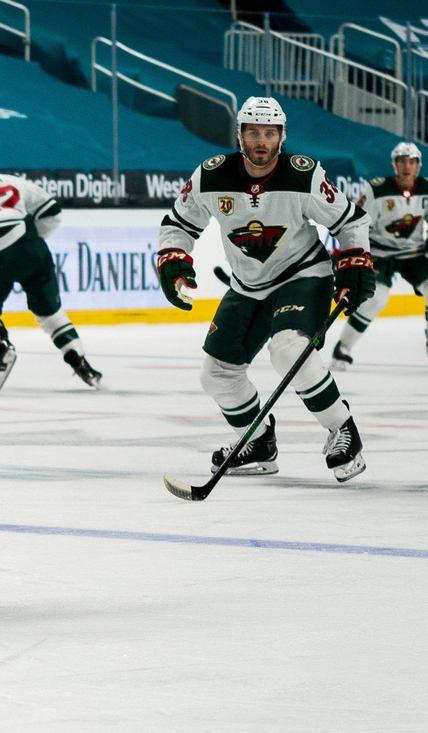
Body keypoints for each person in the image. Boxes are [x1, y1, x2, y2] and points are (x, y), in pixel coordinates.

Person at [156, 96, 373, 482]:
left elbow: (350, 220)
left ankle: (343, 429)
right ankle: (257, 442)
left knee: (288, 348)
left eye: (269, 133)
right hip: (247, 285)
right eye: (253, 132)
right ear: (239, 135)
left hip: (303, 274)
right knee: (216, 373)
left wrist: (354, 260)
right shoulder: (210, 175)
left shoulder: (303, 175)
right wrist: (172, 257)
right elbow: (178, 223)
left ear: (281, 136)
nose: (261, 141)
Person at [0, 140, 102, 390]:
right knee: (50, 314)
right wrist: (27, 240)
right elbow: (53, 213)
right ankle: (80, 362)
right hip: (32, 249)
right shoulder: (13, 180)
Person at [330, 141, 428, 369]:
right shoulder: (377, 189)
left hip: (413, 254)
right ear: (394, 165)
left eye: (412, 161)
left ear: (418, 166)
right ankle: (343, 347)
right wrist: (351, 254)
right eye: (401, 161)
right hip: (377, 253)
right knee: (377, 299)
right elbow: (355, 223)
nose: (407, 166)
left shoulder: (426, 188)